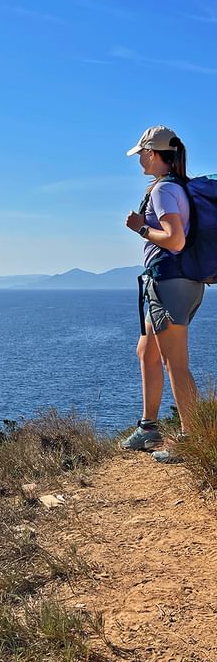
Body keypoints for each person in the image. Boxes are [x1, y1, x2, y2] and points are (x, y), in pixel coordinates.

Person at [121, 125, 205, 463]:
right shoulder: (176, 187)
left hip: (171, 281)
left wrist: (140, 227)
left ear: (154, 154)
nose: (139, 159)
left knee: (176, 363)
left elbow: (175, 239)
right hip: (176, 280)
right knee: (147, 352)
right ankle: (148, 428)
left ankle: (191, 440)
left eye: (141, 153)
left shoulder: (163, 191)